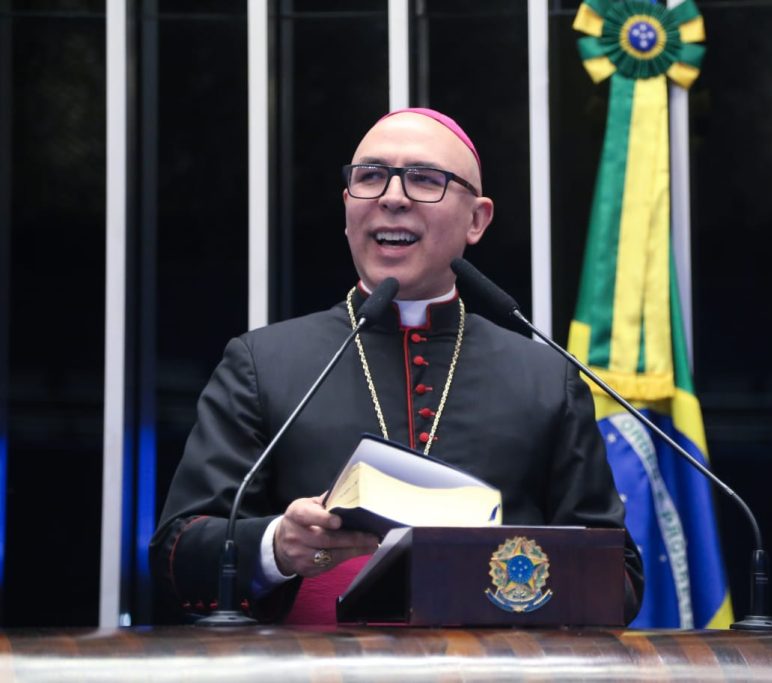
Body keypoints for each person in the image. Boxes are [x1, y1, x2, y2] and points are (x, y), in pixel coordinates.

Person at [150, 108, 644, 623]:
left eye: (424, 179)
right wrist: (277, 545)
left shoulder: (546, 378)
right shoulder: (262, 363)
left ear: (477, 220)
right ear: (347, 207)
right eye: (370, 177)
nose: (392, 197)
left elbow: (620, 578)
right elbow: (177, 556)